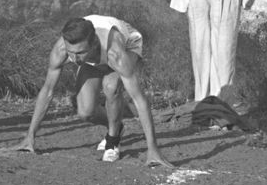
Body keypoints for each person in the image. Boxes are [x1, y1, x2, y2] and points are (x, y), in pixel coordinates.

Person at [11, 15, 173, 167]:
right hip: (95, 55)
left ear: (94, 44)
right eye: (71, 53)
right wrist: (30, 136)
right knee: (85, 112)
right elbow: (47, 90)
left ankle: (113, 139)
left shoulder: (115, 54)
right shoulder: (62, 50)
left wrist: (152, 149)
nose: (75, 59)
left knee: (111, 86)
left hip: (128, 42)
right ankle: (118, 124)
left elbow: (139, 99)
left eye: (80, 53)